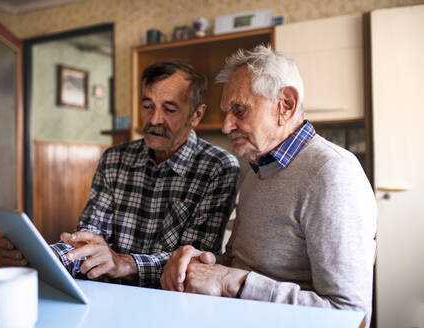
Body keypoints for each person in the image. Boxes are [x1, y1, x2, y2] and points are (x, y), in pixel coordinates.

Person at [161, 45, 377, 326]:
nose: (226, 126)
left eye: (239, 110)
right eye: (226, 112)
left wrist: (233, 283)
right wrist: (204, 263)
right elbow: (242, 263)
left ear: (285, 104)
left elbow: (352, 315)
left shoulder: (332, 173)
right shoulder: (260, 167)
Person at [0, 60, 240, 288]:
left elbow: (192, 264)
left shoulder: (219, 168)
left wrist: (123, 263)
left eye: (170, 109)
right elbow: (89, 238)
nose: (154, 119)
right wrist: (41, 257)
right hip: (105, 294)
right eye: (147, 106)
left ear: (196, 115)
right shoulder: (114, 158)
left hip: (171, 301)